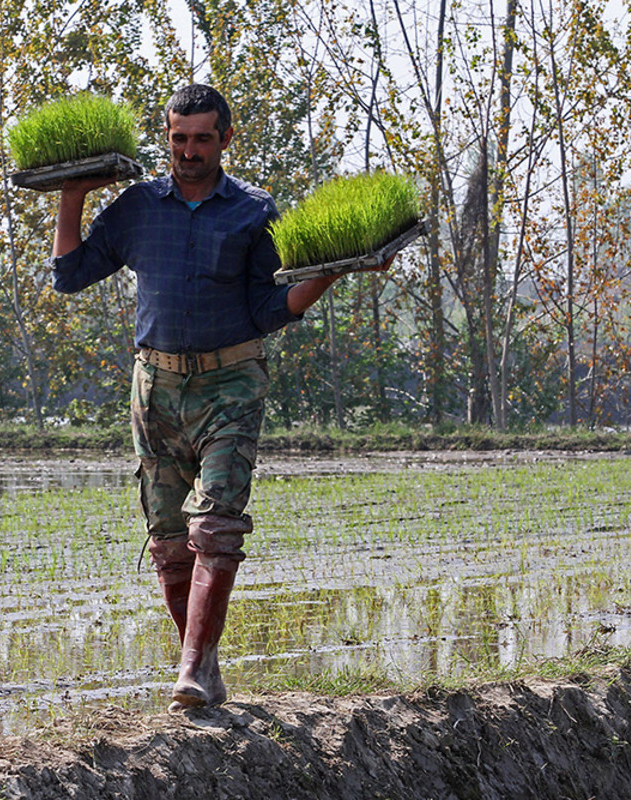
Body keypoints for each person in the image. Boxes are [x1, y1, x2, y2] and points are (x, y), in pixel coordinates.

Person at [50, 84, 383, 711]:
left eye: (203, 138)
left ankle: (194, 669)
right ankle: (200, 661)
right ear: (167, 137)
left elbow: (268, 309)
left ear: (226, 139)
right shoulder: (137, 207)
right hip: (155, 387)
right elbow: (69, 275)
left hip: (231, 382)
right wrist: (72, 194)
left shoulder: (255, 212)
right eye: (179, 138)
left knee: (216, 524)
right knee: (170, 538)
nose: (190, 150)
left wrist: (328, 273)